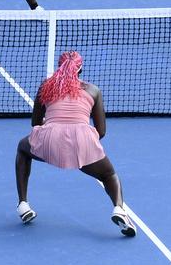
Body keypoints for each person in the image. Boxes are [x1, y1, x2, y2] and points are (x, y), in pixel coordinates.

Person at [15, 51, 136, 237]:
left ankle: (23, 205)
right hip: (82, 141)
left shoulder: (45, 86)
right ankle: (119, 209)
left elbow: (35, 123)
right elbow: (101, 131)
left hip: (49, 139)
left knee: (23, 149)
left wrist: (55, 132)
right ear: (80, 69)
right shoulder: (93, 90)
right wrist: (82, 150)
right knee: (108, 174)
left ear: (59, 68)